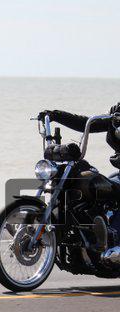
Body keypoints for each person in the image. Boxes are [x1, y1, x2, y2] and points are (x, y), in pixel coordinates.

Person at [39, 103, 120, 259]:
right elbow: (88, 123)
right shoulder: (117, 111)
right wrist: (57, 115)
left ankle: (115, 242)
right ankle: (88, 237)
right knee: (85, 181)